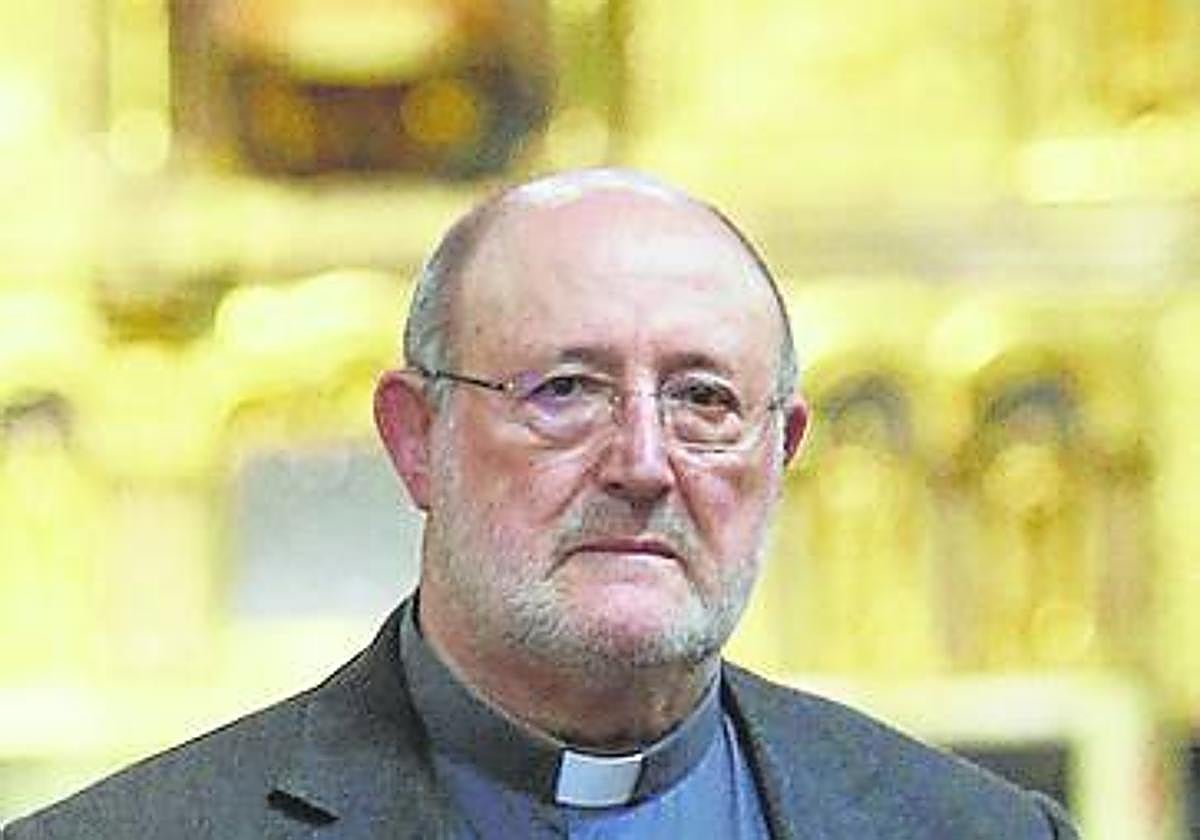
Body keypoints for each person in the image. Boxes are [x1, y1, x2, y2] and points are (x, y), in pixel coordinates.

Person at [3, 168, 1077, 839]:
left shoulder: (980, 832)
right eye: (564, 390)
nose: (644, 464)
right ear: (415, 441)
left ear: (782, 451)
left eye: (705, 400)